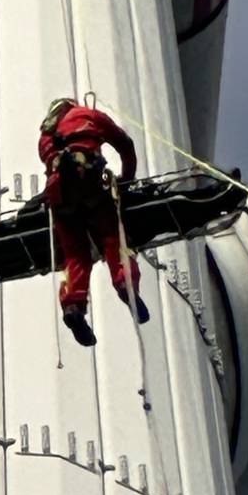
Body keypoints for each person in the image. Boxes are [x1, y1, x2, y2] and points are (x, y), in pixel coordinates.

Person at [38, 97, 150, 346]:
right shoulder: (88, 115)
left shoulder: (45, 136)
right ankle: (125, 284)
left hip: (60, 198)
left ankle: (73, 306)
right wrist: (127, 179)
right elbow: (125, 144)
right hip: (89, 184)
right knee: (113, 239)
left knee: (76, 255)